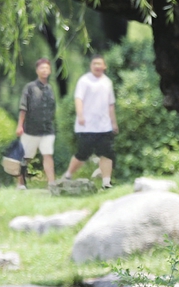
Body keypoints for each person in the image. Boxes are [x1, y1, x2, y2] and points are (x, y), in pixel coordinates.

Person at [63, 55, 118, 189]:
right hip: (86, 126)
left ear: (104, 66)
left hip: (104, 125)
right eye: (95, 64)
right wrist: (80, 115)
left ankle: (106, 182)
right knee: (83, 153)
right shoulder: (84, 81)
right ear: (91, 66)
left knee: (107, 153)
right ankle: (68, 175)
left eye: (100, 64)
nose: (97, 66)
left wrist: (114, 123)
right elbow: (78, 99)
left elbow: (111, 105)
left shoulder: (107, 82)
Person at [16, 58, 57, 190]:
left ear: (50, 70)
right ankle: (20, 183)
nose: (44, 70)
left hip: (47, 129)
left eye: (47, 68)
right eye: (42, 68)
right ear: (37, 71)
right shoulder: (30, 88)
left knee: (48, 154)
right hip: (31, 130)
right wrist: (20, 125)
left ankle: (52, 183)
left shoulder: (50, 89)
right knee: (25, 158)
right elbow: (23, 107)